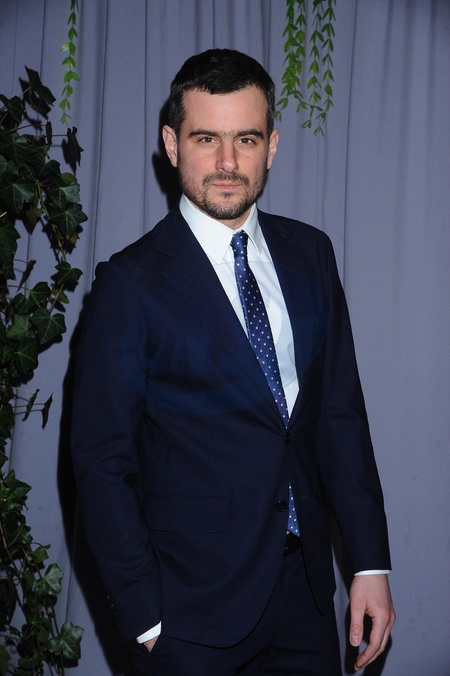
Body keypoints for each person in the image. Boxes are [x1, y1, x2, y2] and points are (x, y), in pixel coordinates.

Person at [71, 49, 395, 675]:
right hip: (189, 615)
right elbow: (101, 461)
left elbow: (340, 418)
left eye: (245, 139)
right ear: (172, 145)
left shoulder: (311, 254)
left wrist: (369, 564)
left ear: (271, 145)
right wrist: (145, 616)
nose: (227, 162)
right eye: (205, 139)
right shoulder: (129, 284)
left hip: (304, 597)